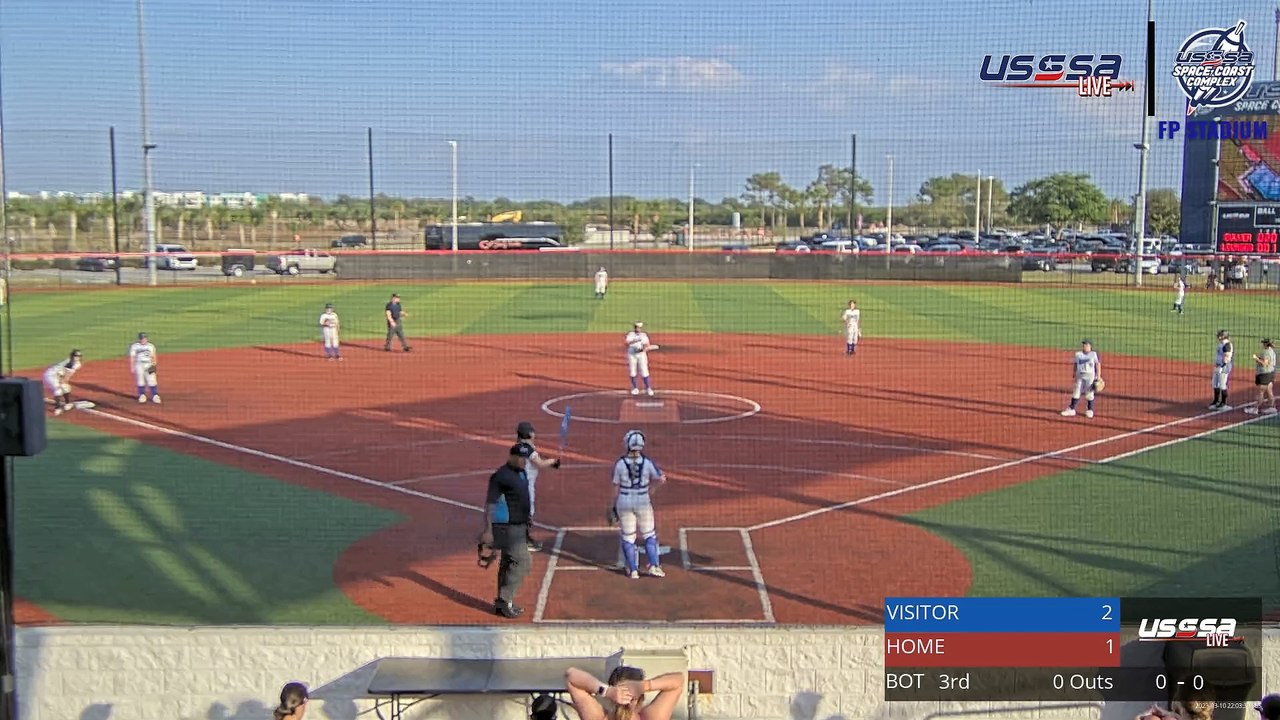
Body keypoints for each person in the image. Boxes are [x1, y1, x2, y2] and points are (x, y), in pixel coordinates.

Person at [480, 443, 535, 618]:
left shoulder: (522, 473)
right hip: (507, 527)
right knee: (523, 561)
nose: (524, 461)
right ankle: (504, 600)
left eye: (525, 458)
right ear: (511, 456)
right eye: (521, 458)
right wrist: (488, 531)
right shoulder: (500, 477)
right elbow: (490, 504)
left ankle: (502, 603)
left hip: (519, 526)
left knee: (507, 562)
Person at [611, 430, 667, 579]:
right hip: (643, 501)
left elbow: (615, 487)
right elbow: (661, 479)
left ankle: (633, 570)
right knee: (649, 534)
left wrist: (613, 506)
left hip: (624, 500)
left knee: (628, 537)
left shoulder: (620, 464)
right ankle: (654, 566)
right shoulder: (648, 463)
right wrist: (651, 490)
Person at [564, 665, 685, 720]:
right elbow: (678, 681)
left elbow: (571, 676)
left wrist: (606, 691)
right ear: (640, 698)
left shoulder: (598, 717)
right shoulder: (650, 717)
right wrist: (645, 686)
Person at [516, 421, 561, 552]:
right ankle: (523, 540)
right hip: (526, 486)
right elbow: (539, 463)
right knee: (527, 513)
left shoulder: (520, 447)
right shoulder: (528, 449)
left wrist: (550, 462)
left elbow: (536, 462)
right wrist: (553, 461)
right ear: (529, 434)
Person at [1060, 339, 1102, 418]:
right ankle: (1071, 409)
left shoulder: (1094, 354)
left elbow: (1098, 365)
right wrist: (1074, 373)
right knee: (1076, 391)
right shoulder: (1078, 354)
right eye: (1084, 345)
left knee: (1089, 393)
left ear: (1090, 346)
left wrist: (1098, 377)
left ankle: (1090, 410)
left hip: (1090, 376)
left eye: (1086, 345)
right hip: (1079, 376)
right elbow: (1075, 364)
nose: (1085, 346)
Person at [43, 349, 83, 415]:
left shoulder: (77, 364)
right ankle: (57, 408)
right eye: (75, 356)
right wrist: (62, 382)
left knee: (66, 388)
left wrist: (64, 382)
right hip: (51, 375)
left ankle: (67, 404)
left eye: (79, 356)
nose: (77, 358)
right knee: (58, 390)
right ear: (72, 356)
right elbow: (61, 376)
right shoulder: (67, 363)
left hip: (59, 375)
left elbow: (67, 376)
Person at [624, 322, 659, 396]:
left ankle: (648, 388)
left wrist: (643, 349)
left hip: (641, 355)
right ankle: (634, 388)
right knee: (632, 371)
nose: (638, 329)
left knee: (644, 371)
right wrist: (635, 341)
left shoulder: (644, 335)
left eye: (639, 328)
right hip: (632, 355)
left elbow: (647, 345)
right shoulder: (631, 334)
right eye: (636, 328)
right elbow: (626, 343)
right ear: (635, 328)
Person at [128, 332, 161, 404]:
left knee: (152, 380)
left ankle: (155, 395)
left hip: (149, 364)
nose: (143, 340)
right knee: (140, 380)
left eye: (144, 338)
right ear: (139, 339)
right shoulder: (135, 346)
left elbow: (153, 356)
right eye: (142, 338)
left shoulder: (151, 346)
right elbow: (132, 357)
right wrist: (132, 367)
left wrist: (154, 365)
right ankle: (142, 395)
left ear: (146, 338)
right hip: (139, 365)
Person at [1246, 338, 1277, 415]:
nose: (1263, 344)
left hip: (1264, 375)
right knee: (1270, 391)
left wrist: (1256, 358)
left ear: (1266, 344)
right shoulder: (1272, 351)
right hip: (1271, 374)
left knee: (1261, 392)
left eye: (1264, 343)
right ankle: (1272, 407)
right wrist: (1259, 359)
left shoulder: (1266, 352)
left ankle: (1255, 409)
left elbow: (1264, 364)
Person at [1210, 329, 1234, 410]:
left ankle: (1223, 403)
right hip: (1218, 366)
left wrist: (1221, 366)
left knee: (1222, 384)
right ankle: (1216, 401)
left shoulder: (1227, 345)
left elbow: (1227, 357)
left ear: (1223, 336)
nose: (1218, 336)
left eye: (1219, 335)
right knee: (1215, 383)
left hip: (1223, 367)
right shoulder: (1221, 344)